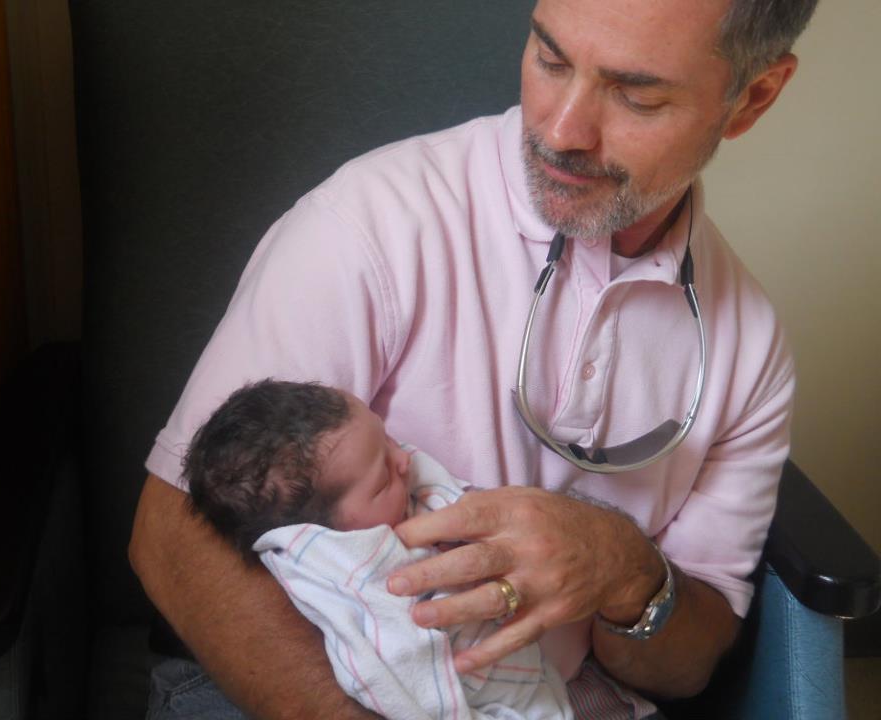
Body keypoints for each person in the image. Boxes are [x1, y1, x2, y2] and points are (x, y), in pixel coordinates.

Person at [130, 1, 820, 718]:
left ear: (752, 97)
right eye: (550, 61)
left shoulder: (751, 346)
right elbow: (172, 536)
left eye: (635, 95)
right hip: (290, 677)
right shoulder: (372, 222)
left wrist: (626, 571)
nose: (559, 131)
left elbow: (688, 664)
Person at [183, 378, 575, 720]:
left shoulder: (380, 474)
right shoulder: (350, 579)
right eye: (382, 480)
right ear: (322, 535)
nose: (405, 460)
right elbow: (402, 681)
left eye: (386, 439)